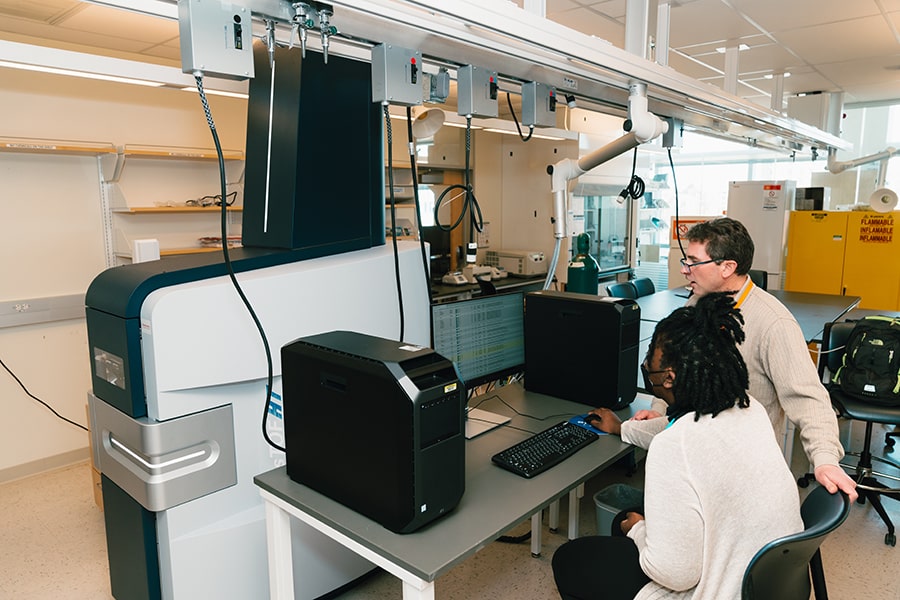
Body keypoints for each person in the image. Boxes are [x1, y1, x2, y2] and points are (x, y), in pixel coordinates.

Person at [552, 293, 804, 600]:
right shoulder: (750, 410)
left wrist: (638, 530)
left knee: (571, 558)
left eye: (651, 360)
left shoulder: (673, 447)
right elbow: (688, 433)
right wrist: (622, 428)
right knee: (628, 522)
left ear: (669, 378)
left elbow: (676, 574)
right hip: (766, 582)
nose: (647, 365)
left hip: (717, 591)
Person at [591, 217, 857, 501]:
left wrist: (825, 458)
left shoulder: (773, 324)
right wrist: (658, 408)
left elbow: (808, 400)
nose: (684, 270)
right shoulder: (696, 304)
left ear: (727, 267)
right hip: (692, 459)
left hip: (743, 472)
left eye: (693, 262)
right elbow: (672, 369)